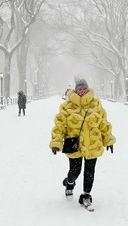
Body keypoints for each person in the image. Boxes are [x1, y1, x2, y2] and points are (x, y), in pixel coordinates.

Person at [49, 78, 115, 211]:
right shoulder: (67, 106)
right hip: (74, 145)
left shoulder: (96, 105)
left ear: (88, 89)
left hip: (93, 144)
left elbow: (104, 124)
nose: (82, 91)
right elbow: (59, 125)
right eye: (80, 88)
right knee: (75, 171)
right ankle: (69, 182)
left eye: (84, 88)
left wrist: (108, 140)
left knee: (90, 172)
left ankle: (86, 196)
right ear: (76, 89)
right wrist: (56, 142)